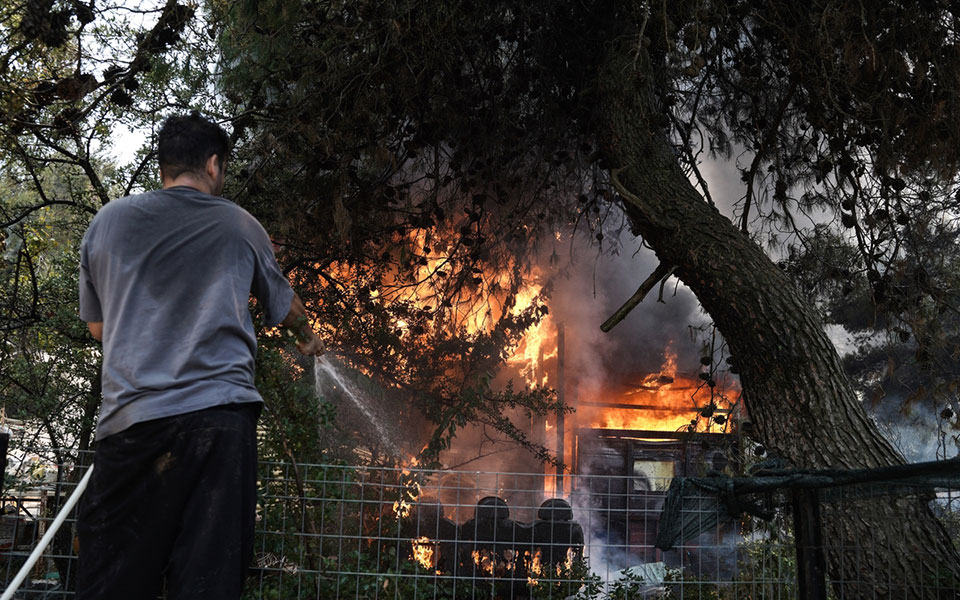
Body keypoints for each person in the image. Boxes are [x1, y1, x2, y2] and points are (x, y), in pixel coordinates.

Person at [75, 112, 324, 599]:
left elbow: (99, 328)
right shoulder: (239, 224)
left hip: (132, 425)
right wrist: (307, 336)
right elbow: (286, 306)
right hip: (219, 427)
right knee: (208, 583)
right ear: (213, 165)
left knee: (113, 583)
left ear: (163, 167)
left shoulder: (108, 223)